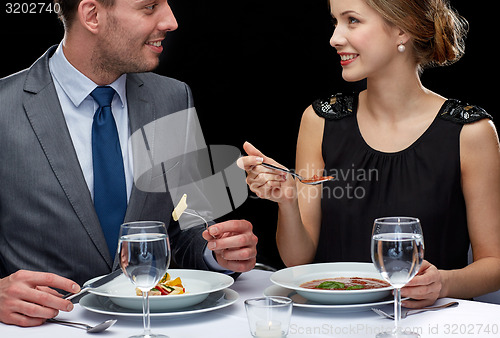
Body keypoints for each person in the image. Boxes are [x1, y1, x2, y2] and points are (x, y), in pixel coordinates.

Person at [0, 0, 257, 327]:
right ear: (92, 15)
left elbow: (187, 223)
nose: (171, 20)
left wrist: (218, 253)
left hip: (157, 326)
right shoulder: (4, 108)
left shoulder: (172, 98)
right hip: (46, 329)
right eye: (150, 7)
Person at [238, 0, 500, 308]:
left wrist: (441, 283)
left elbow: (494, 264)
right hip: (334, 320)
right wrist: (288, 200)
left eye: (352, 21)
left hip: (426, 324)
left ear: (402, 30)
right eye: (335, 21)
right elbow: (298, 261)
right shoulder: (321, 120)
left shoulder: (470, 131)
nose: (335, 38)